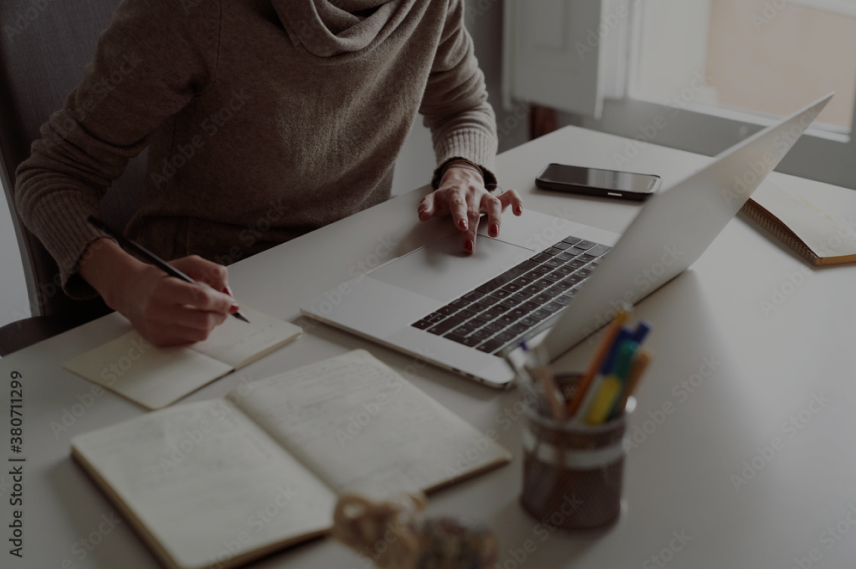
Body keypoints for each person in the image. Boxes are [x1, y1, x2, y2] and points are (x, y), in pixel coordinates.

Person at [14, 0, 523, 346]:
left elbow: (463, 107)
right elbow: (52, 173)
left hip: (356, 281)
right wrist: (124, 283)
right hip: (205, 306)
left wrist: (463, 172)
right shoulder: (195, 12)